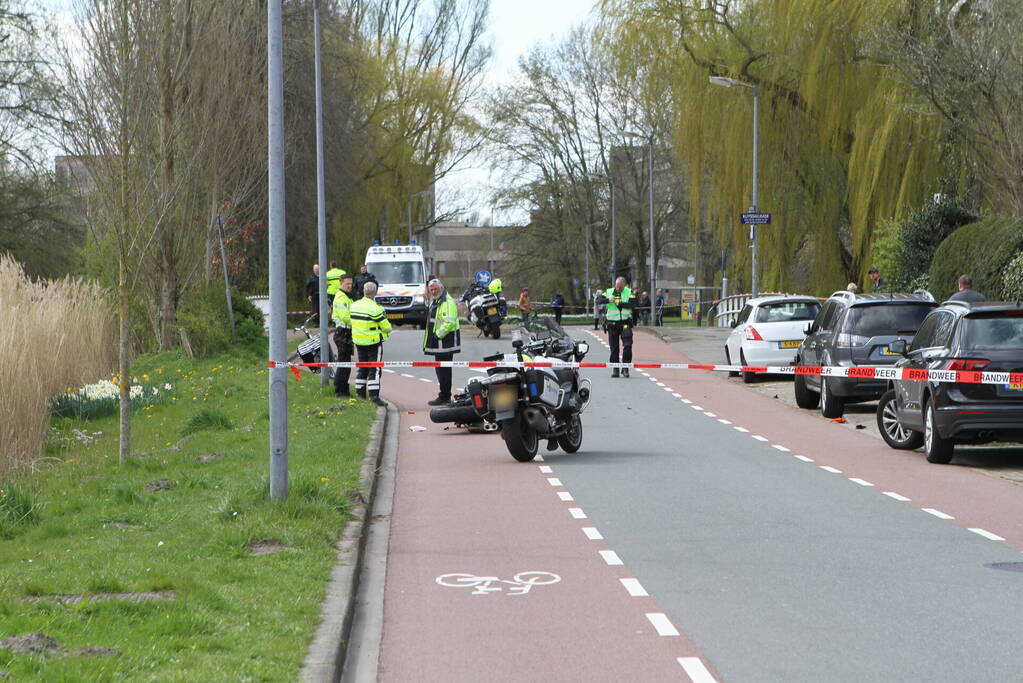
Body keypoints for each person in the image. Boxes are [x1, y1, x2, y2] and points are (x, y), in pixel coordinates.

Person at [350, 281, 391, 406]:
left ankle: (360, 394)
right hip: (373, 342)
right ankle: (374, 397)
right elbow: (387, 327)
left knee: (362, 367)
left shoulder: (354, 305)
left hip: (358, 341)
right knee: (375, 368)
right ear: (375, 292)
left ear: (363, 291)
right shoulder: (376, 308)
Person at [424, 279, 461, 405]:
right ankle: (444, 394)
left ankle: (445, 396)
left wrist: (437, 335)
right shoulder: (436, 300)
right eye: (431, 290)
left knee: (444, 370)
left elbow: (449, 322)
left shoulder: (447, 302)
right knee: (440, 370)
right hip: (440, 343)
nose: (433, 292)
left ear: (441, 288)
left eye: (435, 289)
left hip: (445, 342)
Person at [598, 277, 635, 378]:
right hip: (612, 324)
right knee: (614, 348)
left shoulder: (629, 292)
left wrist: (620, 304)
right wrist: (608, 300)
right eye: (616, 286)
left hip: (625, 323)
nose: (618, 289)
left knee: (628, 346)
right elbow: (598, 300)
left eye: (620, 287)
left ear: (624, 285)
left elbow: (633, 304)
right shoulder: (609, 291)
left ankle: (625, 368)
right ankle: (615, 369)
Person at [331, 274, 356, 397]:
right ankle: (340, 391)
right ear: (341, 283)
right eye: (347, 284)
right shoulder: (341, 297)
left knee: (345, 363)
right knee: (344, 363)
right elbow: (345, 317)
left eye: (351, 283)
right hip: (343, 332)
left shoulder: (347, 297)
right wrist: (358, 322)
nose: (350, 286)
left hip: (345, 333)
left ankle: (343, 390)